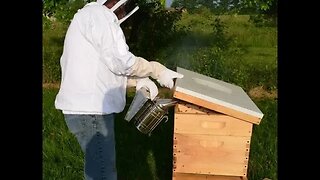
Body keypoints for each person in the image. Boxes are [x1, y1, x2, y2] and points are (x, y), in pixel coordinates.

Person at [54, 0, 183, 179]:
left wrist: (137, 81)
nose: (123, 12)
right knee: (102, 174)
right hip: (91, 111)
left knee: (99, 171)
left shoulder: (88, 16)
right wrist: (155, 69)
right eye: (124, 6)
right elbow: (122, 62)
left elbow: (101, 68)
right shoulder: (100, 16)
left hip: (86, 109)